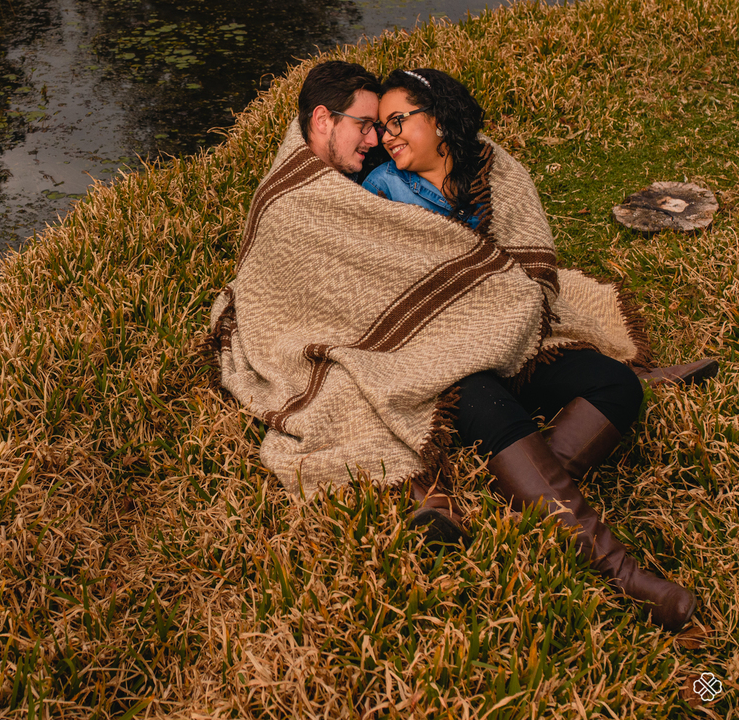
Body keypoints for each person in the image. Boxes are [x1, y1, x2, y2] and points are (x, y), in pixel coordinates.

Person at [208, 60, 711, 632]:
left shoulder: (419, 163)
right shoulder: (303, 196)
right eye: (368, 126)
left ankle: (528, 495)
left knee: (613, 383)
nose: (377, 140)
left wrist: (485, 301)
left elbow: (474, 245)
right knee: (481, 399)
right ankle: (623, 575)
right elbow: (301, 303)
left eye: (388, 124)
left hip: (493, 335)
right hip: (425, 362)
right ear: (322, 120)